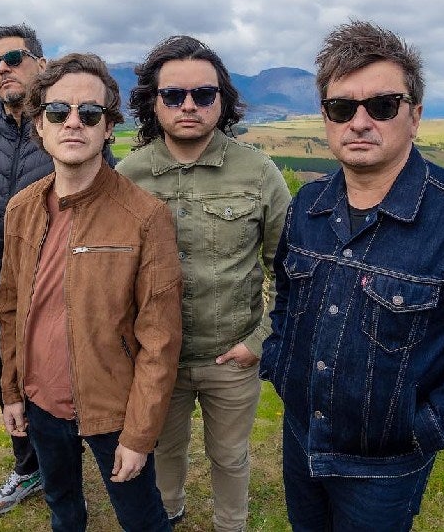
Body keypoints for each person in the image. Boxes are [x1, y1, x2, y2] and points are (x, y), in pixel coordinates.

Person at [260, 20, 444, 531]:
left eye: (382, 106)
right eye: (341, 108)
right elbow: (286, 297)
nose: (359, 122)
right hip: (301, 438)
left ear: (415, 115)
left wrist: (420, 428)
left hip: (384, 469)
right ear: (325, 117)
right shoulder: (308, 205)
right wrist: (280, 363)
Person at [0, 52, 183, 532]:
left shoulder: (145, 216)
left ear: (109, 128)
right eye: (58, 111)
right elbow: (10, 309)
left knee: (141, 519)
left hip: (112, 408)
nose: (73, 122)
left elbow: (160, 339)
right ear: (40, 125)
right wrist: (12, 391)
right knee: (62, 508)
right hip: (41, 403)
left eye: (90, 113)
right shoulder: (21, 209)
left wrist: (139, 435)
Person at [118, 35, 290, 531]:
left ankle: (230, 524)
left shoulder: (258, 172)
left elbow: (288, 268)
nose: (189, 105)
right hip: (157, 359)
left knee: (230, 456)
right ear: (154, 103)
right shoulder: (128, 176)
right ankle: (168, 515)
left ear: (222, 100)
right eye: (174, 95)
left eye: (203, 94)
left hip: (231, 355)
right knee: (162, 450)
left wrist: (259, 342)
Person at [0, 24, 115, 514]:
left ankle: (83, 459)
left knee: (68, 378)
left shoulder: (66, 128)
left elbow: (104, 200)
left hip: (61, 290)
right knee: (8, 381)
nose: (3, 70)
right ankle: (28, 466)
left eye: (13, 59)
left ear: (40, 63)